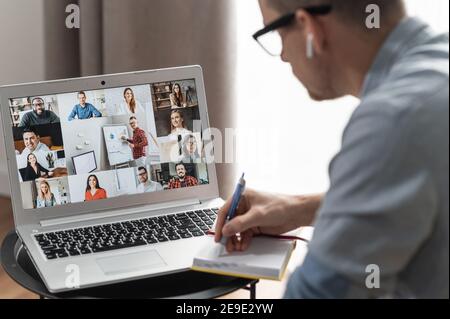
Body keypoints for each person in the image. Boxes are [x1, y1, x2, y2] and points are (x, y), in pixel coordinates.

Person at [214, 0, 449, 299]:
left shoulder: (394, 120)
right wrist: (300, 209)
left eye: (277, 34)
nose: (284, 55)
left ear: (308, 27)